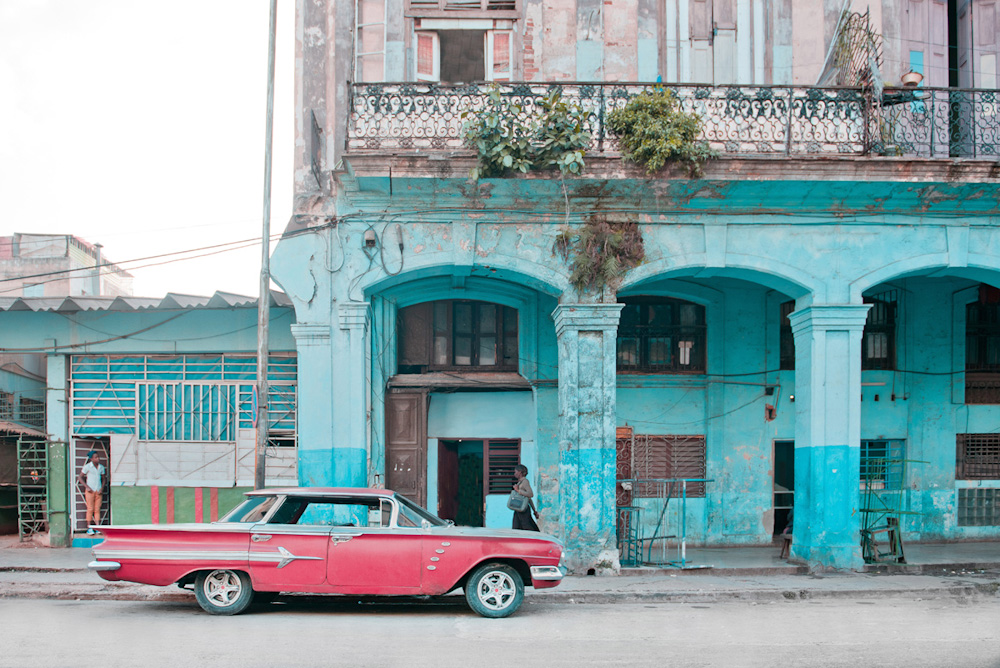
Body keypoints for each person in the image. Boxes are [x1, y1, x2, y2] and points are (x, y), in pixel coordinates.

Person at [78, 451, 106, 535]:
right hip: (90, 491)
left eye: (98, 457)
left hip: (98, 490)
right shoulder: (87, 467)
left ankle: (97, 527)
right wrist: (87, 487)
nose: (98, 459)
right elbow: (80, 477)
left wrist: (102, 488)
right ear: (91, 459)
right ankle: (89, 527)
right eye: (96, 457)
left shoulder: (101, 467)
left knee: (97, 509)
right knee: (90, 508)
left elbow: (103, 479)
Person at [511, 464, 540, 532]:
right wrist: (534, 511)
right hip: (519, 508)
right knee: (516, 528)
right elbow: (528, 499)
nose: (514, 473)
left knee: (527, 527)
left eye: (515, 472)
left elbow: (530, 494)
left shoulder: (525, 482)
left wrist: (518, 490)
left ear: (520, 472)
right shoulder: (520, 482)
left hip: (523, 509)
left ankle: (534, 540)